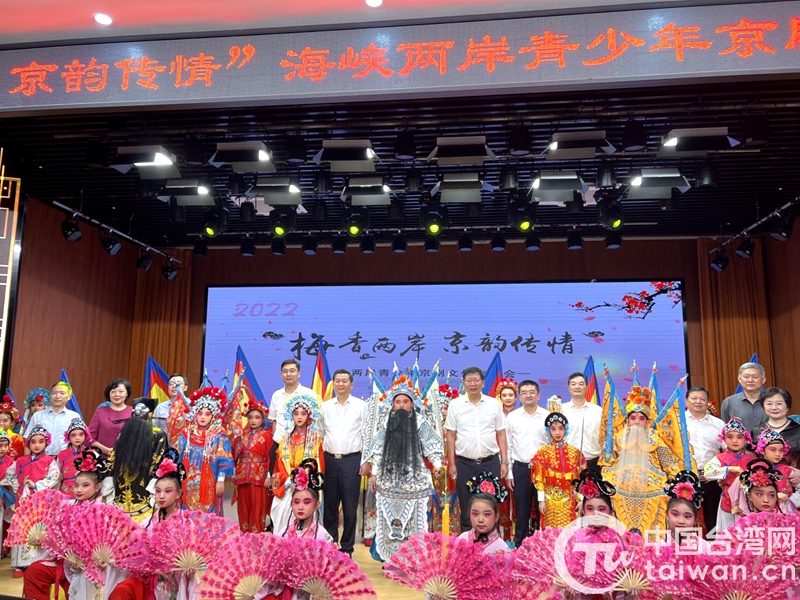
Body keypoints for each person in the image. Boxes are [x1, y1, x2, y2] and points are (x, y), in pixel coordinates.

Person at [365, 377, 443, 561]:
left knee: (414, 523)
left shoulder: (420, 422)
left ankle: (412, 560)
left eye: (405, 401)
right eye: (397, 401)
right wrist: (374, 473)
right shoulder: (386, 423)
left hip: (414, 482)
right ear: (392, 405)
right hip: (388, 480)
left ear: (412, 404)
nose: (401, 405)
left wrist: (438, 465)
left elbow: (430, 446)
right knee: (387, 522)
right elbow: (378, 450)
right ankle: (391, 560)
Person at [21, 447, 110, 600]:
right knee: (34, 572)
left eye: (85, 485)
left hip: (88, 567)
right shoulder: (67, 505)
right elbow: (55, 536)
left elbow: (104, 547)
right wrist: (42, 541)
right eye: (76, 485)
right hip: (64, 561)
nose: (79, 490)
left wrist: (84, 560)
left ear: (97, 487)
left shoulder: (103, 510)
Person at [600, 385, 683, 535]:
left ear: (647, 422)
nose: (637, 422)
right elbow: (606, 464)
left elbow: (670, 466)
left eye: (641, 418)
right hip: (619, 488)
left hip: (653, 490)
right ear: (627, 421)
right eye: (633, 418)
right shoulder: (617, 439)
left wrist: (672, 485)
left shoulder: (656, 440)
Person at [105, 451, 186, 600]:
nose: (161, 496)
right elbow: (133, 552)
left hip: (170, 582)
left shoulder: (186, 524)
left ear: (178, 493)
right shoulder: (147, 522)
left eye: (168, 491)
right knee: (121, 592)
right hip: (145, 578)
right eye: (158, 491)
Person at [445, 367, 508, 533]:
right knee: (467, 505)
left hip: (490, 462)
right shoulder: (455, 405)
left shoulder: (493, 404)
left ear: (483, 383)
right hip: (465, 463)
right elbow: (451, 435)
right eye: (469, 380)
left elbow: (501, 433)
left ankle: (491, 542)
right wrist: (452, 464)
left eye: (476, 380)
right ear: (463, 383)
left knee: (490, 504)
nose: (473, 384)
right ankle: (468, 543)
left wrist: (504, 462)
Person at [320, 369, 368, 555]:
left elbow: (366, 435)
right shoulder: (325, 407)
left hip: (352, 460)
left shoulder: (361, 406)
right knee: (330, 507)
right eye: (337, 381)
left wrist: (366, 461)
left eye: (344, 381)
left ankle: (347, 548)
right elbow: (320, 433)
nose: (340, 384)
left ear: (351, 384)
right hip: (329, 461)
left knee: (349, 507)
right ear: (333, 384)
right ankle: (330, 546)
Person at [168, 386, 234, 515]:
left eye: (207, 414)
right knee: (186, 512)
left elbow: (224, 458)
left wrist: (221, 480)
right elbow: (175, 454)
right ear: (195, 414)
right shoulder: (187, 432)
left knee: (208, 514)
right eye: (200, 413)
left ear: (213, 415)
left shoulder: (218, 434)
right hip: (187, 480)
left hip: (209, 482)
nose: (203, 417)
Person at [5, 426, 59, 576]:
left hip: (40, 500)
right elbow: (9, 474)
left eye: (41, 441)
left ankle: (36, 561)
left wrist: (36, 485)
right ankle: (19, 564)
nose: (37, 445)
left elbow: (54, 477)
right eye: (33, 442)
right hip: (23, 498)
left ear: (46, 443)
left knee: (38, 528)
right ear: (28, 443)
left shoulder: (50, 461)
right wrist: (19, 484)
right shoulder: (20, 460)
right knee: (21, 527)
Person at [271, 393, 324, 535]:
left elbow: (317, 466)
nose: (299, 417)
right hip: (287, 484)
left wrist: (302, 482)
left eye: (303, 413)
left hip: (306, 486)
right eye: (296, 414)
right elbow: (279, 464)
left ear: (309, 415)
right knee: (282, 517)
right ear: (291, 415)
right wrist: (289, 481)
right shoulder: (285, 439)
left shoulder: (315, 439)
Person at [505, 380, 548, 543]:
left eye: (532, 392)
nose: (528, 395)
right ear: (519, 396)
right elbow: (508, 445)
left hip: (543, 470)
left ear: (538, 395)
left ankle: (544, 545)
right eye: (524, 392)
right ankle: (520, 546)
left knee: (543, 509)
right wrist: (509, 472)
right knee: (521, 510)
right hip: (520, 469)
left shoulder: (547, 416)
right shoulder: (512, 417)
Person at [532, 409, 586, 529]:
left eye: (561, 428)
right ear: (548, 430)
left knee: (569, 531)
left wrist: (581, 499)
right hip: (549, 501)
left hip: (569, 501)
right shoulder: (543, 452)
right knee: (550, 532)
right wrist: (541, 500)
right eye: (553, 429)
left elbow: (580, 479)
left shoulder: (575, 452)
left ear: (566, 429)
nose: (557, 433)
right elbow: (539, 480)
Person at [110, 414, 168, 522]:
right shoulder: (126, 433)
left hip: (143, 506)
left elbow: (159, 466)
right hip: (125, 506)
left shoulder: (157, 434)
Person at [227, 397, 274, 532]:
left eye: (257, 417)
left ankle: (257, 535)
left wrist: (268, 476)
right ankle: (244, 535)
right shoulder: (241, 436)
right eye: (250, 417)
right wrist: (233, 473)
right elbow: (233, 456)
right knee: (243, 507)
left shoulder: (267, 436)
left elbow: (270, 458)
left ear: (262, 419)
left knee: (258, 507)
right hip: (242, 477)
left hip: (259, 477)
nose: (253, 420)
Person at [703, 417, 756, 533]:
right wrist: (730, 469)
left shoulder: (752, 460)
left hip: (749, 501)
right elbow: (707, 473)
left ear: (746, 440)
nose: (735, 441)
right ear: (724, 439)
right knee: (728, 533)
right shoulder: (720, 458)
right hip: (727, 500)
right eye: (730, 437)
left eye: (739, 437)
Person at [684, 386, 725, 533]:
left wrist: (716, 473)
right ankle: (686, 545)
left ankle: (713, 545)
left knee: (712, 517)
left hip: (710, 479)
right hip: (685, 478)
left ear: (708, 402)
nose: (698, 402)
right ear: (686, 401)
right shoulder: (678, 422)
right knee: (686, 517)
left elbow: (728, 451)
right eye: (694, 398)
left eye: (702, 399)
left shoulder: (718, 424)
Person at [729, 430, 797, 517]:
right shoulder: (755, 469)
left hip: (784, 510)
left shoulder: (787, 469)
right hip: (759, 511)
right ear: (762, 450)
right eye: (773, 450)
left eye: (781, 450)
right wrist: (774, 496)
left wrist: (792, 500)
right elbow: (744, 486)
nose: (777, 454)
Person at [751, 388, 800, 481]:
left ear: (787, 406)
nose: (774, 407)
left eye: (779, 403)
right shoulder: (757, 431)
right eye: (769, 404)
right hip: (764, 483)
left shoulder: (798, 430)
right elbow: (751, 458)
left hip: (793, 483)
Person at [281, 458, 333, 542]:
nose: (300, 507)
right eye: (296, 502)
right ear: (291, 504)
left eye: (306, 502)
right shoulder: (283, 533)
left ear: (317, 504)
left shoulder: (323, 537)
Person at [459, 471, 511, 554]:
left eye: (486, 514)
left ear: (496, 516)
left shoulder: (501, 548)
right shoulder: (462, 539)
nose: (480, 520)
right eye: (475, 514)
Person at [25, 382, 80, 457]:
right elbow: (28, 441)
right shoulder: (37, 415)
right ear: (50, 395)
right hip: (40, 458)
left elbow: (78, 442)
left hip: (64, 458)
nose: (57, 396)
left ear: (69, 396)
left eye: (62, 393)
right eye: (54, 393)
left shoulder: (74, 416)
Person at [268, 359, 316, 442]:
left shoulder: (309, 394)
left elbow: (315, 420)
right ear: (281, 374)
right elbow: (274, 420)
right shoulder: (276, 395)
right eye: (285, 371)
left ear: (299, 373)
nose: (288, 374)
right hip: (279, 445)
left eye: (292, 371)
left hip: (301, 445)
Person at [494, 377, 519, 542]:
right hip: (498, 461)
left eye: (511, 395)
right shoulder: (495, 415)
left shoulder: (520, 415)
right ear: (499, 397)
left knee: (518, 498)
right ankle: (501, 535)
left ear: (516, 397)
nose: (508, 398)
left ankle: (517, 535)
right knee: (501, 497)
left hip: (517, 461)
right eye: (504, 395)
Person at [561, 372, 602, 469]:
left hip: (593, 463)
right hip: (568, 463)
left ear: (587, 387)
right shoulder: (561, 410)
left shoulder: (598, 410)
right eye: (573, 384)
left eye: (581, 384)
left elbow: (604, 436)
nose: (577, 387)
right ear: (569, 388)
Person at [663, 470, 709, 552]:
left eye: (687, 516)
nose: (681, 521)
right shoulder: (659, 549)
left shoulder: (705, 548)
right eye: (675, 514)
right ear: (667, 515)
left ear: (696, 519)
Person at [89, 378, 133, 455]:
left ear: (127, 393)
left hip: (127, 458)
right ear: (109, 394)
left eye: (121, 391)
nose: (117, 394)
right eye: (113, 391)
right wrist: (107, 451)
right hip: (102, 458)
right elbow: (89, 438)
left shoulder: (133, 412)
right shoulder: (100, 412)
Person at [720, 362, 767, 433]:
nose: (750, 380)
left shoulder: (771, 401)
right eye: (746, 377)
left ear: (763, 380)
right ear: (739, 379)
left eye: (755, 377)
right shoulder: (729, 402)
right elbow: (725, 430)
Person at [57, 418, 92, 494]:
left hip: (85, 491)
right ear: (68, 437)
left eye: (81, 434)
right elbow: (58, 476)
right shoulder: (62, 454)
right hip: (65, 491)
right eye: (73, 435)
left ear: (85, 435)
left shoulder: (91, 453)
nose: (78, 438)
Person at [153, 374, 188, 439]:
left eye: (178, 383)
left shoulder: (191, 406)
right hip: (164, 444)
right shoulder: (160, 407)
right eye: (171, 383)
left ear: (185, 387)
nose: (174, 386)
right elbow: (155, 429)